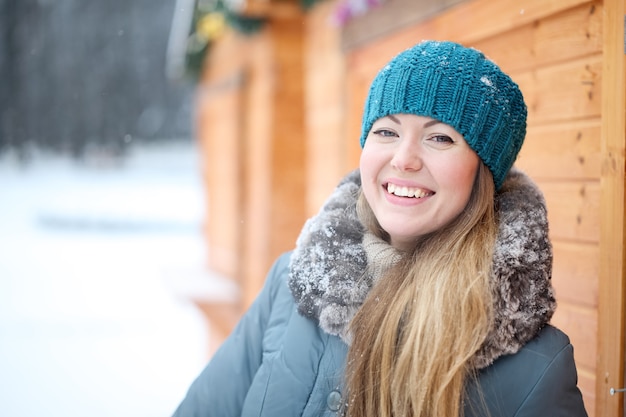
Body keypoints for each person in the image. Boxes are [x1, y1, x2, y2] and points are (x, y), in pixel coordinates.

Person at [172, 40, 588, 416]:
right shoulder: (292, 284)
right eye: (386, 131)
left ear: (484, 173)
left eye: (440, 138)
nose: (403, 159)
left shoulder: (536, 364)